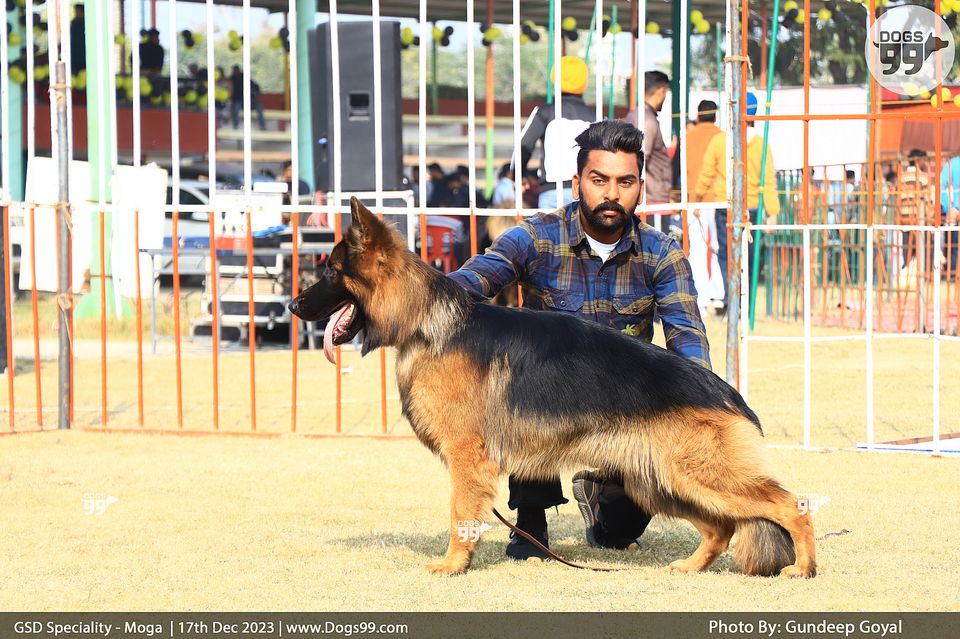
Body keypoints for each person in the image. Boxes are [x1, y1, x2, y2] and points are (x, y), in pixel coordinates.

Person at [448, 119, 710, 561]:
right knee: (525, 380)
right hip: (545, 403)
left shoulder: (663, 254)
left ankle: (601, 495)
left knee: (618, 534)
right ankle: (531, 520)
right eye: (599, 180)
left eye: (625, 182)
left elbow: (688, 341)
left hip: (626, 411)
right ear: (577, 184)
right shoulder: (536, 236)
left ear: (641, 188)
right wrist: (414, 296)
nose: (612, 193)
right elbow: (473, 279)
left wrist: (699, 415)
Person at [692, 91, 780, 308]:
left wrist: (697, 197)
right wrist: (773, 212)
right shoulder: (762, 145)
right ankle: (746, 302)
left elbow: (706, 173)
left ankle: (732, 299)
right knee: (749, 257)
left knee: (727, 254)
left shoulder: (720, 141)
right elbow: (768, 180)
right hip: (753, 207)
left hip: (727, 205)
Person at [519, 56, 596, 209]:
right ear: (584, 83)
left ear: (555, 79)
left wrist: (519, 175)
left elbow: (523, 147)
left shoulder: (544, 113)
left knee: (550, 226)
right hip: (586, 191)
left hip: (552, 191)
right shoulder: (596, 117)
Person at [685, 100, 725, 311]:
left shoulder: (688, 138)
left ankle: (699, 299)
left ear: (698, 115)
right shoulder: (722, 138)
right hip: (718, 199)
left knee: (697, 250)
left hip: (693, 200)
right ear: (715, 115)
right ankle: (719, 295)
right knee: (718, 247)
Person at [626, 71, 673, 233]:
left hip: (648, 197)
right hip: (652, 200)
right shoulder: (646, 120)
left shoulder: (636, 115)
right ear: (661, 92)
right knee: (656, 247)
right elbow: (639, 158)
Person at [230, 65, 267, 131]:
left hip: (251, 101)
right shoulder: (232, 79)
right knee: (235, 107)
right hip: (241, 101)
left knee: (260, 107)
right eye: (234, 71)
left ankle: (262, 126)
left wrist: (253, 94)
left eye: (236, 70)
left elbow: (256, 88)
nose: (235, 72)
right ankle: (235, 126)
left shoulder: (247, 79)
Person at [70, 4, 86, 75]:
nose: (76, 13)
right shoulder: (74, 23)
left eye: (78, 11)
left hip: (84, 57)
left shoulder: (87, 24)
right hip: (74, 58)